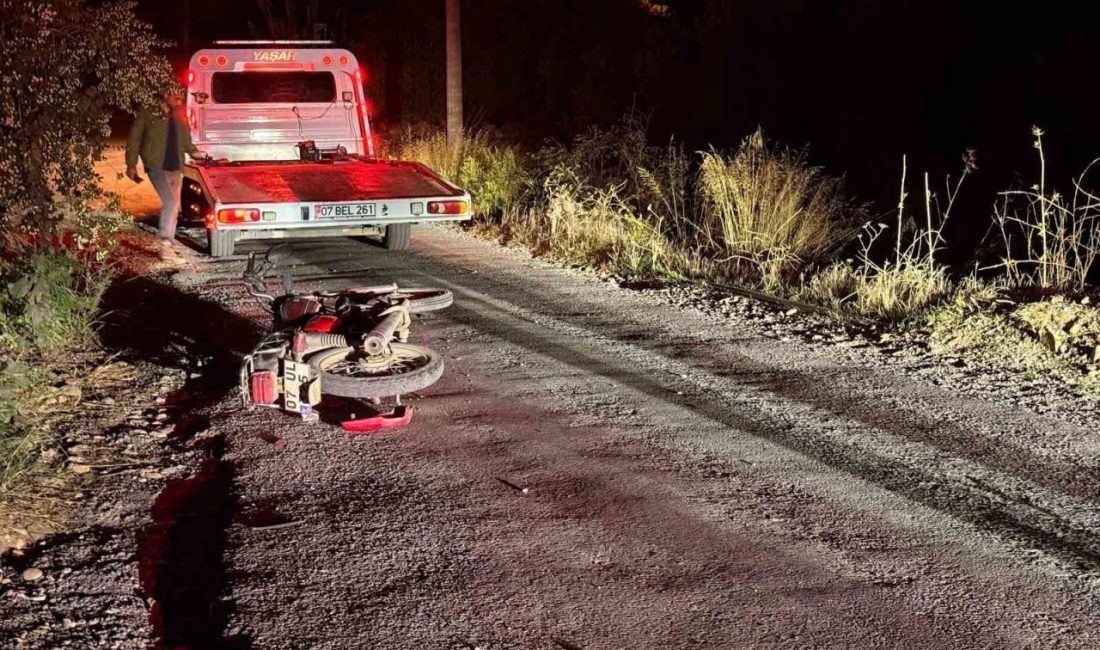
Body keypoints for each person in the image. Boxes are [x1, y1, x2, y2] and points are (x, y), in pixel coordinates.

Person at [125, 84, 207, 261]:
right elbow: (135, 137)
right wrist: (131, 164)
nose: (180, 101)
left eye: (181, 98)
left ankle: (169, 244)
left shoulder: (179, 116)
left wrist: (200, 155)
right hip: (156, 166)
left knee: (174, 206)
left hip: (175, 167)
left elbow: (187, 144)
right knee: (170, 203)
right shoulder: (148, 112)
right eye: (176, 98)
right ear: (165, 95)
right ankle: (165, 245)